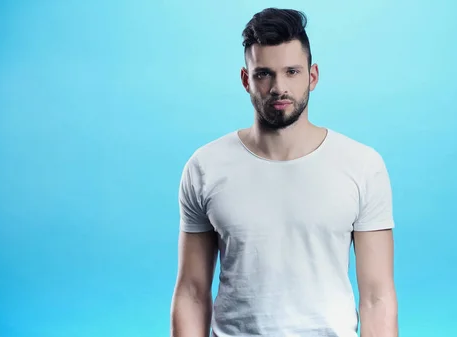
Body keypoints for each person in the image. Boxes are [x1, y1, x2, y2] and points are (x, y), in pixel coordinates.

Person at [170, 8, 398, 337]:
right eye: (264, 74)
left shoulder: (362, 165)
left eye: (292, 71)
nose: (279, 87)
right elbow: (191, 291)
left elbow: (378, 298)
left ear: (313, 76)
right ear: (246, 79)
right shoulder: (205, 167)